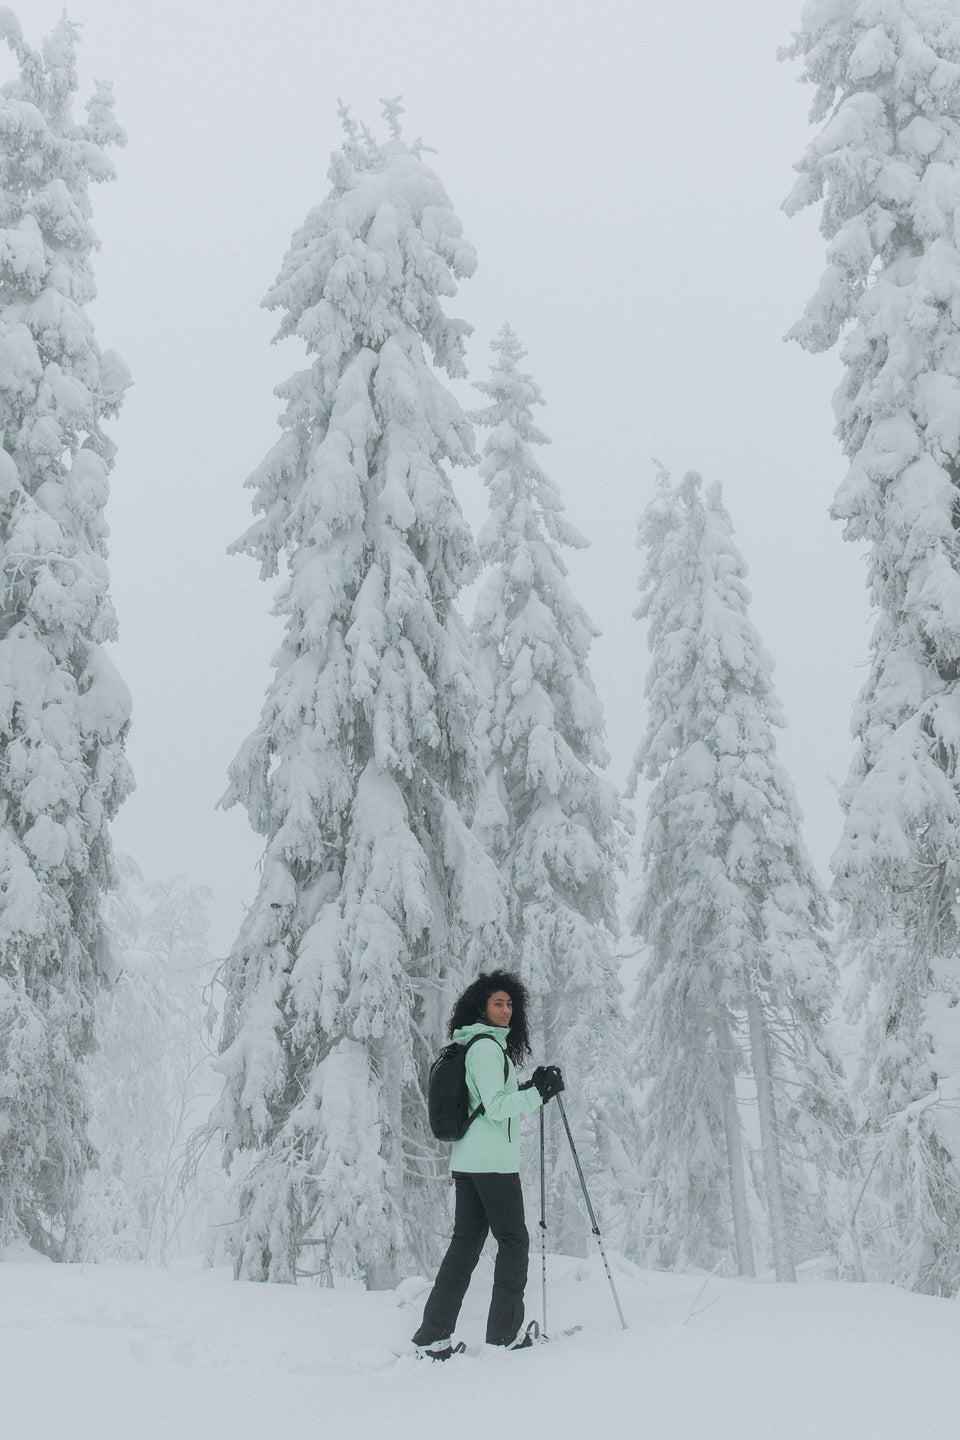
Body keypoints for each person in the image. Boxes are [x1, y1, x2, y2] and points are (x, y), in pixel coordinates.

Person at [412, 969, 564, 1359]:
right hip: (492, 1165)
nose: (506, 1010)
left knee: (465, 1247)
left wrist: (531, 1089)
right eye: (498, 1003)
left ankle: (433, 1337)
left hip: (469, 1161)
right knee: (514, 1242)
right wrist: (539, 1095)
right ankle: (505, 1335)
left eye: (510, 1004)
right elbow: (496, 1108)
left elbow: (488, 1101)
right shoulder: (485, 1048)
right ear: (481, 1007)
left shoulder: (477, 1046)